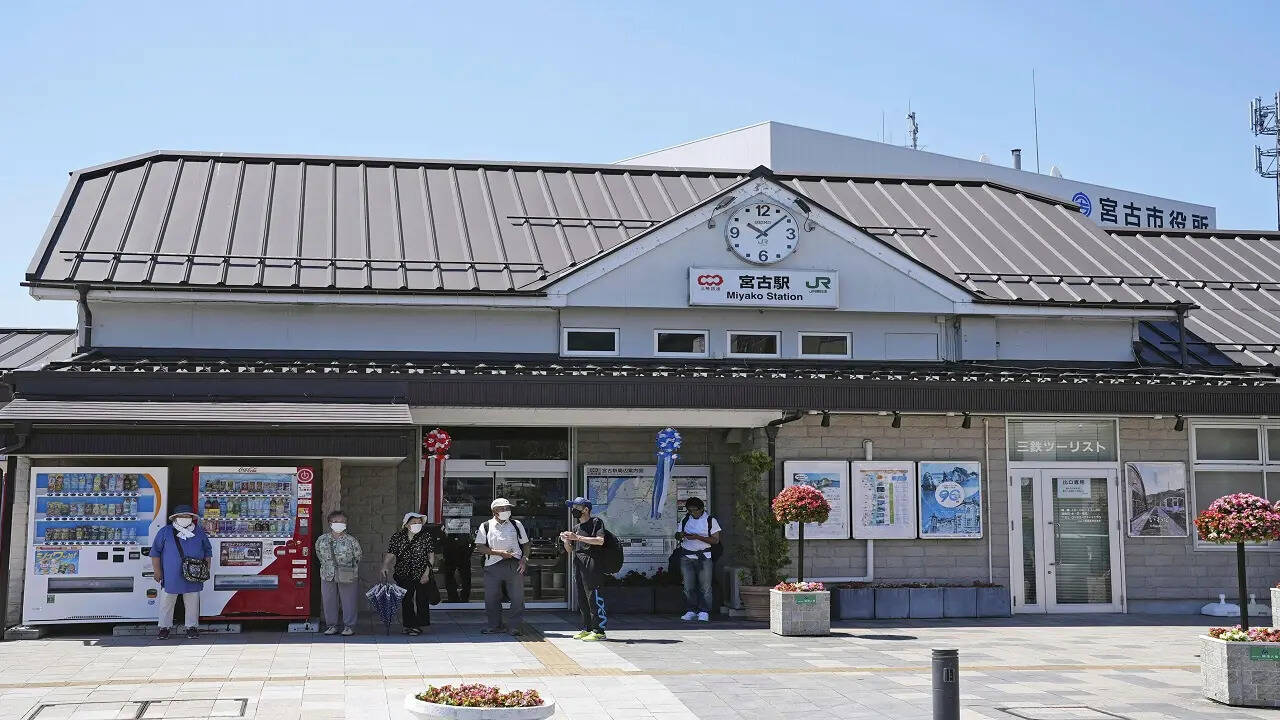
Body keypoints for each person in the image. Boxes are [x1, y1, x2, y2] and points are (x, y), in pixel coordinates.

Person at [151, 505, 212, 640]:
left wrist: (206, 570)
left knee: (192, 601)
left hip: (194, 574)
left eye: (187, 516)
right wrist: (157, 571)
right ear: (175, 518)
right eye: (181, 516)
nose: (184, 518)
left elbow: (208, 551)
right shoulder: (165, 532)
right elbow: (155, 552)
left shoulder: (199, 532)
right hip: (171, 574)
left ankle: (192, 627)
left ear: (191, 518)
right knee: (167, 601)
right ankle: (164, 627)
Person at [475, 498, 529, 635]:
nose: (506, 511)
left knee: (517, 598)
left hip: (515, 564)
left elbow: (526, 544)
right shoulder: (486, 525)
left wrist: (524, 560)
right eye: (502, 508)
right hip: (492, 565)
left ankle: (515, 626)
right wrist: (499, 553)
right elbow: (480, 547)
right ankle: (494, 626)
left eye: (508, 508)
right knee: (491, 597)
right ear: (494, 511)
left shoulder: (516, 524)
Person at [382, 512, 439, 636]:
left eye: (419, 522)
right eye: (414, 522)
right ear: (407, 524)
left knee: (421, 599)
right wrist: (385, 565)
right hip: (403, 572)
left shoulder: (426, 536)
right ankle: (409, 625)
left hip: (421, 572)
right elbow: (391, 553)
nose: (417, 524)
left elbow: (431, 556)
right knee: (406, 599)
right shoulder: (398, 537)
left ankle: (418, 625)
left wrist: (426, 573)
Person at [560, 497, 607, 641]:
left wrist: (577, 538)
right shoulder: (576, 528)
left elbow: (600, 541)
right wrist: (566, 541)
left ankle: (599, 631)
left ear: (586, 509)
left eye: (577, 507)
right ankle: (587, 628)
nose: (573, 510)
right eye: (572, 507)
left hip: (592, 564)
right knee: (582, 598)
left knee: (593, 597)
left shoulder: (596, 522)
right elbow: (570, 550)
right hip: (579, 564)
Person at [315, 509, 362, 636]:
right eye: (336, 521)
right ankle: (331, 626)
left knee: (349, 601)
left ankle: (349, 626)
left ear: (346, 523)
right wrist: (328, 566)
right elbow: (318, 554)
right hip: (327, 573)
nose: (339, 524)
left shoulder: (351, 540)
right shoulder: (322, 540)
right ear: (330, 523)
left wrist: (349, 567)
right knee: (329, 600)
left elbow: (358, 556)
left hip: (347, 573)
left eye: (342, 521)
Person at [674, 497, 720, 622]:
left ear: (701, 509)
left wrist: (698, 537)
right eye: (690, 510)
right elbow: (677, 535)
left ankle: (704, 611)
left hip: (704, 556)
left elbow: (715, 540)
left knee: (705, 586)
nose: (693, 513)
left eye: (695, 510)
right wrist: (681, 535)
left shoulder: (710, 520)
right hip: (687, 555)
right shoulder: (685, 519)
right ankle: (691, 610)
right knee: (688, 586)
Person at [440, 530, 475, 602]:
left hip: (459, 552)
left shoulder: (464, 530)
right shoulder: (463, 530)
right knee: (460, 577)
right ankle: (458, 597)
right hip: (456, 552)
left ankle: (459, 597)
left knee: (461, 577)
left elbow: (472, 541)